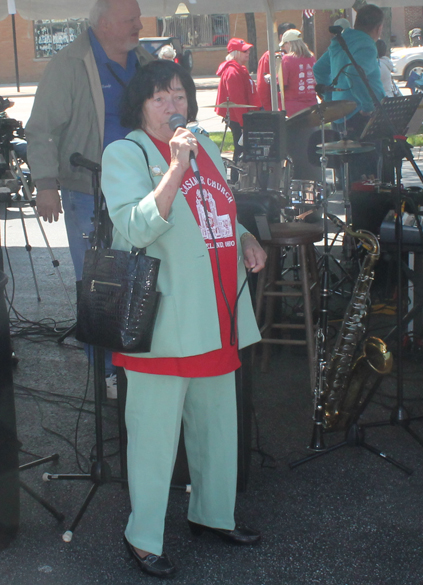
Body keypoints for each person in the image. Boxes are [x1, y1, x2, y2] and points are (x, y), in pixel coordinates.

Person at [100, 59, 267, 578]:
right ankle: (143, 536)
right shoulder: (124, 153)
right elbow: (134, 227)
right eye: (160, 98)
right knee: (152, 439)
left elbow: (218, 211)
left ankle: (214, 515)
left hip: (216, 314)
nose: (174, 106)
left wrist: (244, 238)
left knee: (218, 427)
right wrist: (174, 168)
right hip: (164, 322)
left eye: (180, 95)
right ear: (140, 106)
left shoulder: (204, 144)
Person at [25, 0, 153, 395]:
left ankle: (139, 362)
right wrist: (46, 183)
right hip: (87, 192)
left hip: (143, 191)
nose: (139, 24)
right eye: (130, 19)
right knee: (99, 287)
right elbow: (42, 128)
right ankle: (109, 374)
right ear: (104, 24)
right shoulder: (70, 63)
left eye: (137, 17)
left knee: (145, 278)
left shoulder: (145, 61)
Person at [313, 4, 385, 180]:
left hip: (340, 113)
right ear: (378, 28)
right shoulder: (367, 44)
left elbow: (319, 69)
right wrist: (367, 106)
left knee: (346, 174)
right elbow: (354, 72)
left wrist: (330, 99)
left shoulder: (342, 41)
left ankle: (351, 205)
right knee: (368, 174)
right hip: (361, 114)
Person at [215, 38, 261, 183]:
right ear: (235, 53)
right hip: (238, 118)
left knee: (241, 149)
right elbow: (237, 101)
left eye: (248, 50)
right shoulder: (232, 72)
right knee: (240, 150)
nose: (248, 53)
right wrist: (243, 124)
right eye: (244, 51)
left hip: (244, 117)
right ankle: (236, 181)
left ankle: (240, 180)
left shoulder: (239, 69)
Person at [256, 22, 296, 111]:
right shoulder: (269, 56)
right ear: (282, 37)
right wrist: (268, 109)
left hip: (295, 106)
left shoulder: (299, 56)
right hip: (275, 108)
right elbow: (262, 86)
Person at [279, 29, 317, 117]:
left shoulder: (287, 59)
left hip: (293, 108)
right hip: (312, 105)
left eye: (284, 45)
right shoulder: (311, 57)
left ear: (289, 43)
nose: (284, 48)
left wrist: (271, 79)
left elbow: (282, 84)